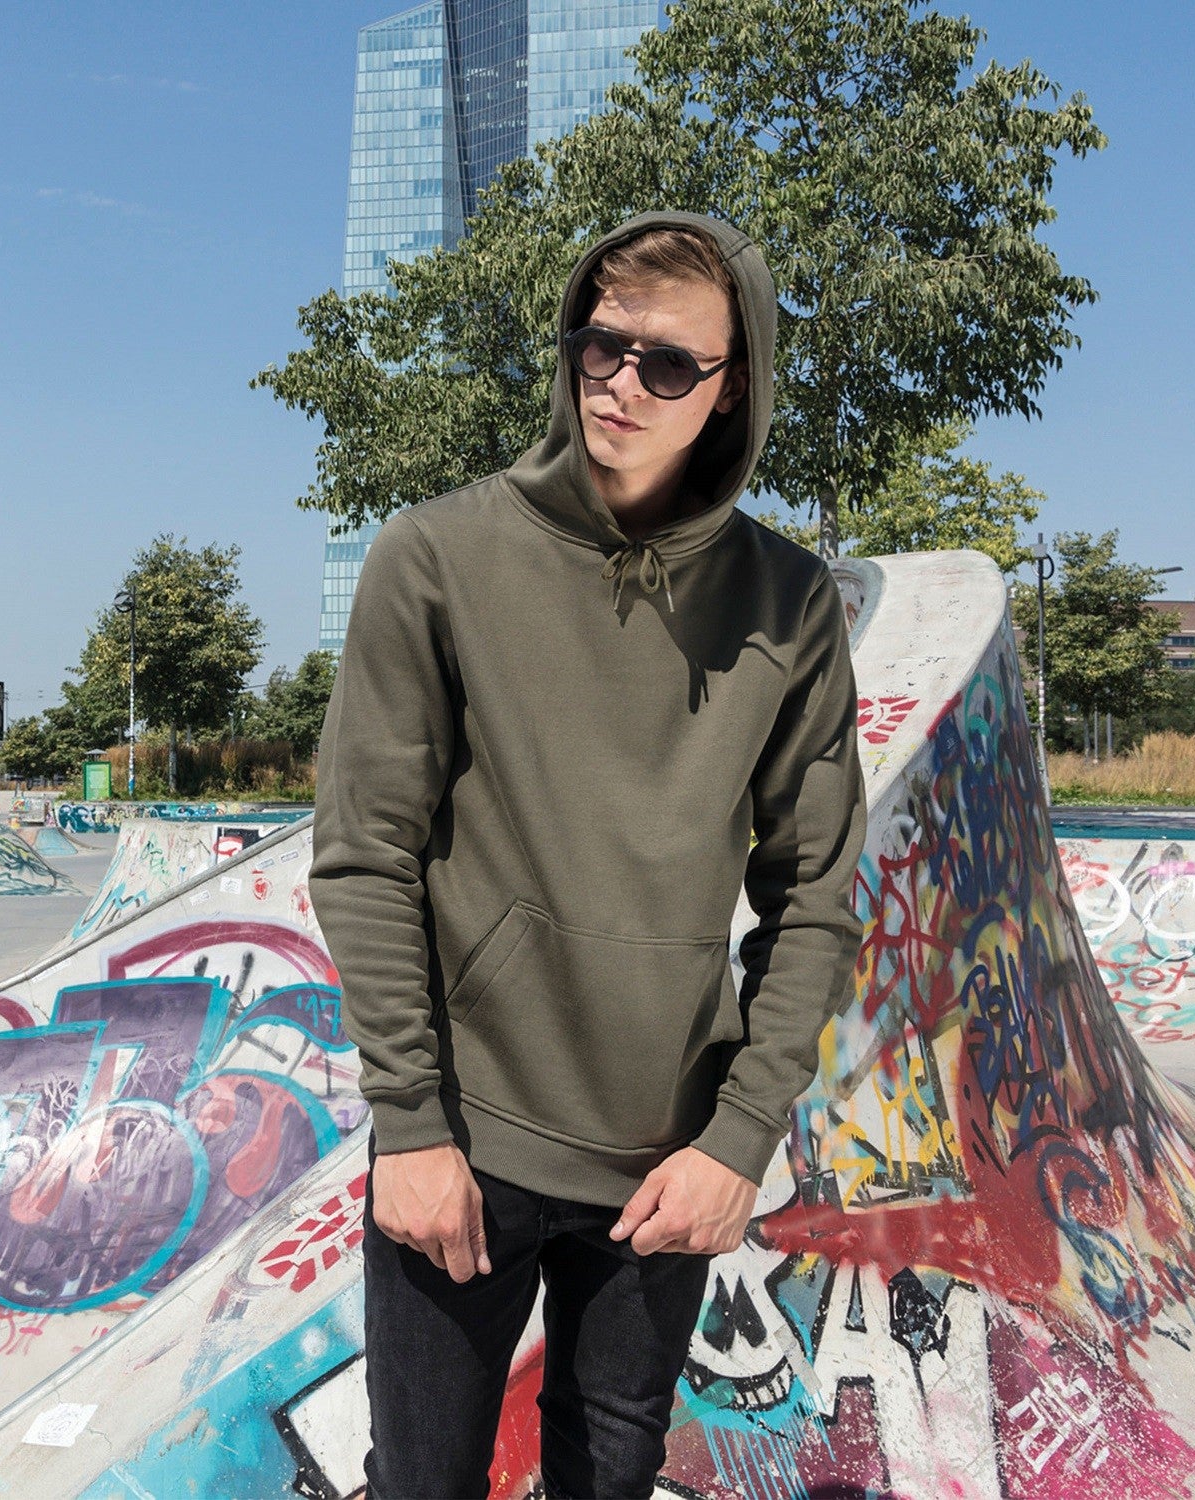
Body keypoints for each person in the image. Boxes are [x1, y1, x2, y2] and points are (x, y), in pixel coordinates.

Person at [310, 210, 866, 1499]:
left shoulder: (790, 603)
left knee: (607, 1486)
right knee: (422, 1486)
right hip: (463, 1144)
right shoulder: (436, 556)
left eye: (667, 364)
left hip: (666, 1168)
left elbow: (814, 897)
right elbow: (365, 856)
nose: (619, 382)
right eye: (600, 345)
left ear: (731, 389)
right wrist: (410, 1126)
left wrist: (739, 1140)